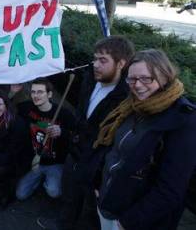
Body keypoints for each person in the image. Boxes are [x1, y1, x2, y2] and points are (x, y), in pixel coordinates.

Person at [37, 35, 134, 229]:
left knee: (90, 207)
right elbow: (81, 117)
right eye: (95, 58)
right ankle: (63, 224)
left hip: (97, 162)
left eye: (103, 60)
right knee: (69, 193)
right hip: (76, 150)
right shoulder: (90, 79)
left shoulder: (127, 97)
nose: (96, 64)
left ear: (121, 63)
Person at [96, 49, 196, 230]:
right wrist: (99, 185)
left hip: (134, 220)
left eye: (146, 78)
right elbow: (114, 150)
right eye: (132, 79)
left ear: (165, 76)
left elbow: (171, 190)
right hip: (108, 202)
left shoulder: (183, 120)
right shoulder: (132, 106)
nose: (138, 85)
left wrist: (127, 222)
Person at [15, 78, 76, 201]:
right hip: (35, 161)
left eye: (40, 92)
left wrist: (62, 132)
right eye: (33, 92)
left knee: (54, 192)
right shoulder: (27, 108)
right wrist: (12, 92)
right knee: (20, 195)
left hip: (55, 163)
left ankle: (50, 180)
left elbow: (76, 136)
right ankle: (39, 179)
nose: (36, 96)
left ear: (49, 94)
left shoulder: (64, 114)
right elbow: (6, 107)